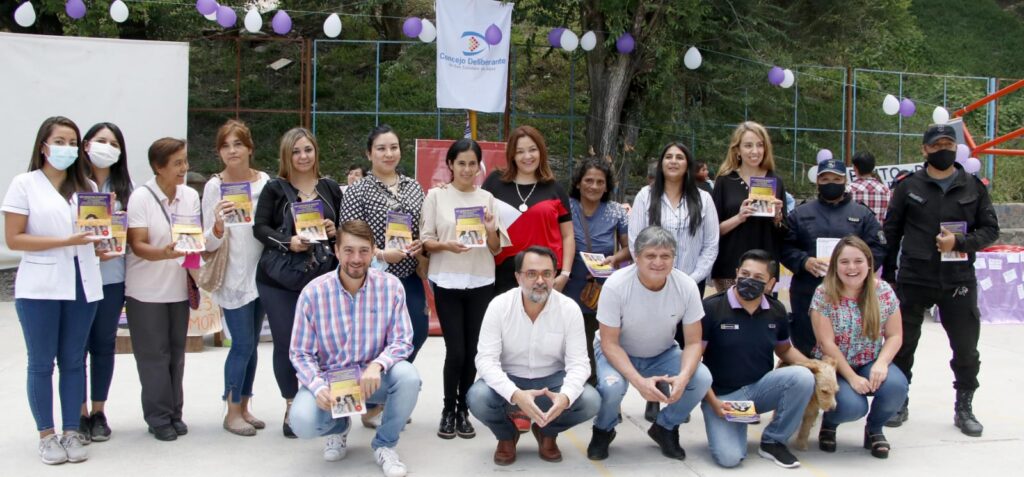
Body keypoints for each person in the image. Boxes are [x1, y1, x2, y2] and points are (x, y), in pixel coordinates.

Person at [882, 123, 999, 436]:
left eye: (948, 144)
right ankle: (898, 400)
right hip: (914, 278)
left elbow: (990, 230)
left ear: (956, 147)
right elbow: (891, 233)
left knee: (966, 349)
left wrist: (959, 244)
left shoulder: (973, 185)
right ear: (924, 149)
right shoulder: (907, 186)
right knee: (902, 345)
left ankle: (964, 407)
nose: (942, 149)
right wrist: (887, 277)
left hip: (958, 279)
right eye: (936, 145)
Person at [3, 116, 106, 464]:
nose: (67, 148)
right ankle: (47, 435)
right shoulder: (24, 184)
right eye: (59, 141)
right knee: (41, 363)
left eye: (72, 142)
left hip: (82, 283)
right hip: (41, 287)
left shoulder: (88, 186)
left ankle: (72, 430)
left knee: (75, 360)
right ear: (43, 146)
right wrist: (66, 241)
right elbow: (14, 238)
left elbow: (92, 236)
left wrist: (101, 247)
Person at [288, 220, 420, 477]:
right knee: (301, 423)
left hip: (374, 377)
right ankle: (338, 429)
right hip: (331, 380)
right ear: (336, 251)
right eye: (348, 250)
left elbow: (402, 340)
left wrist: (377, 364)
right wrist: (317, 387)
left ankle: (385, 444)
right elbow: (300, 352)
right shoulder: (313, 293)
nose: (356, 258)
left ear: (373, 251)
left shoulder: (391, 286)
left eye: (363, 250)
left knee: (408, 377)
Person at [587, 226, 713, 462]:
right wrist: (638, 381)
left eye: (665, 256)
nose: (658, 262)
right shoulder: (615, 285)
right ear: (636, 256)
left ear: (674, 258)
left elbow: (694, 342)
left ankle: (665, 427)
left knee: (702, 378)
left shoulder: (686, 286)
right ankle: (603, 429)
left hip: (662, 352)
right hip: (618, 352)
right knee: (612, 387)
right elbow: (610, 343)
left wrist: (683, 376)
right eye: (650, 255)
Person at [468, 246, 600, 466]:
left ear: (554, 276)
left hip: (552, 382)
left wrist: (565, 397)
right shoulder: (499, 306)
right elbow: (485, 360)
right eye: (531, 274)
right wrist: (515, 394)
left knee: (590, 400)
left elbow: (580, 364)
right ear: (518, 277)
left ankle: (547, 431)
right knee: (477, 397)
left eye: (547, 273)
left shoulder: (569, 308)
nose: (540, 280)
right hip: (510, 380)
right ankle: (506, 435)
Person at [420, 138, 510, 440]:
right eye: (461, 163)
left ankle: (463, 411)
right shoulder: (436, 196)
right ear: (450, 165)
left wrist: (488, 229)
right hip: (447, 280)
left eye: (473, 163)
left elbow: (497, 249)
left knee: (472, 352)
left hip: (481, 281)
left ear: (479, 167)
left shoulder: (487, 199)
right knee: (455, 351)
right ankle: (448, 409)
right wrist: (446, 245)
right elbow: (426, 241)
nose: (467, 169)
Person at [254, 127, 341, 438]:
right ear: (286, 156)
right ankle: (292, 404)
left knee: (323, 345)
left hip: (321, 279)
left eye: (308, 149)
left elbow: (344, 230)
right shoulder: (275, 189)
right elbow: (259, 228)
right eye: (296, 151)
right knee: (289, 343)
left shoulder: (330, 188)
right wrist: (286, 241)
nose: (303, 156)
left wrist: (334, 229)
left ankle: (321, 399)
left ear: (316, 152)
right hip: (280, 280)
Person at [700, 249, 814, 469]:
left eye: (758, 278)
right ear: (736, 273)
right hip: (722, 398)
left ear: (770, 283)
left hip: (759, 390)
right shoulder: (712, 308)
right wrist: (713, 401)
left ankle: (773, 441)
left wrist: (814, 368)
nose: (749, 281)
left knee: (803, 376)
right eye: (745, 274)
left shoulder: (776, 310)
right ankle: (736, 424)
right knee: (729, 458)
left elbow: (785, 350)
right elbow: (694, 360)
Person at [124, 137, 199, 442]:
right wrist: (165, 253)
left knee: (176, 355)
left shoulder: (190, 196)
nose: (184, 167)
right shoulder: (141, 197)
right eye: (177, 162)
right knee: (153, 355)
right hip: (146, 291)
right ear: (159, 167)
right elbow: (137, 243)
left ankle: (174, 412)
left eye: (185, 160)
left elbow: (193, 238)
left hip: (177, 289)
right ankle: (157, 416)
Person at [202, 120, 270, 436]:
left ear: (249, 148)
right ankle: (231, 411)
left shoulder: (264, 182)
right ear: (219, 152)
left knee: (253, 345)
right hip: (233, 276)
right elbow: (207, 243)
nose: (232, 150)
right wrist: (217, 225)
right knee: (241, 344)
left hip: (262, 275)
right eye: (226, 145)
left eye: (238, 144)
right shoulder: (214, 187)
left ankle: (245, 405)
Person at [340, 125, 428, 367]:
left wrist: (421, 246)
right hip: (372, 278)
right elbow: (349, 234)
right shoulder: (358, 190)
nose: (388, 154)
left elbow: (423, 226)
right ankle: (376, 393)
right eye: (381, 149)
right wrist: (380, 254)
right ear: (369, 154)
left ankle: (392, 379)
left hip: (408, 275)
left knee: (417, 331)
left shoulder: (414, 187)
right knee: (375, 338)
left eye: (393, 147)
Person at [811, 236, 907, 459]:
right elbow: (827, 344)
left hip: (870, 359)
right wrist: (852, 378)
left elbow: (895, 335)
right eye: (844, 262)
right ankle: (830, 423)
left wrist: (882, 363)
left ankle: (874, 429)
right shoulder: (823, 293)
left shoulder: (883, 291)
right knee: (853, 406)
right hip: (834, 365)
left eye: (858, 261)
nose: (851, 268)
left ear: (869, 263)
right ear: (835, 265)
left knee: (897, 387)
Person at [781, 159, 885, 356]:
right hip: (808, 291)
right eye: (825, 178)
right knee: (807, 350)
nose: (831, 182)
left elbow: (878, 249)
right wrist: (804, 261)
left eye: (836, 179)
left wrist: (855, 270)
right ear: (818, 181)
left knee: (847, 348)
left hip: (852, 294)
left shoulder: (862, 214)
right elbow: (785, 247)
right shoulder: (800, 213)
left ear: (845, 180)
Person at [78, 121, 132, 443]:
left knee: (103, 347)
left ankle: (98, 412)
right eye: (101, 141)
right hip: (78, 278)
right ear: (86, 145)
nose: (107, 148)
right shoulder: (72, 184)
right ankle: (79, 413)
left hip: (112, 279)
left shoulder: (127, 186)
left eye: (114, 144)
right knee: (76, 349)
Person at [482, 126, 574, 295]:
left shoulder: (555, 188)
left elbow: (568, 235)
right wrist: (448, 188)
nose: (527, 156)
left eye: (532, 150)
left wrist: (565, 274)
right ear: (512, 155)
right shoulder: (494, 182)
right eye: (520, 151)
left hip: (546, 273)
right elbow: (472, 202)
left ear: (541, 152)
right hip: (504, 273)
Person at [564, 158, 630, 382]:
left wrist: (614, 259)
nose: (593, 186)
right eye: (588, 180)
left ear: (607, 185)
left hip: (601, 287)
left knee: (598, 338)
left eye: (600, 182)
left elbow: (629, 248)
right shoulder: (565, 206)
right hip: (569, 283)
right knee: (573, 337)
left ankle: (600, 384)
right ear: (578, 183)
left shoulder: (616, 212)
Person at [711, 121, 787, 292]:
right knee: (730, 315)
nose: (755, 151)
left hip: (764, 269)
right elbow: (713, 230)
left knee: (759, 316)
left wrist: (777, 217)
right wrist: (739, 217)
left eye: (760, 145)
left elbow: (783, 232)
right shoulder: (725, 180)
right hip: (730, 265)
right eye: (748, 145)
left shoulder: (775, 181)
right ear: (737, 150)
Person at [848, 152, 891, 224]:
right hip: (877, 233)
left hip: (853, 234)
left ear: (855, 168)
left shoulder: (848, 190)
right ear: (873, 167)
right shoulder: (887, 192)